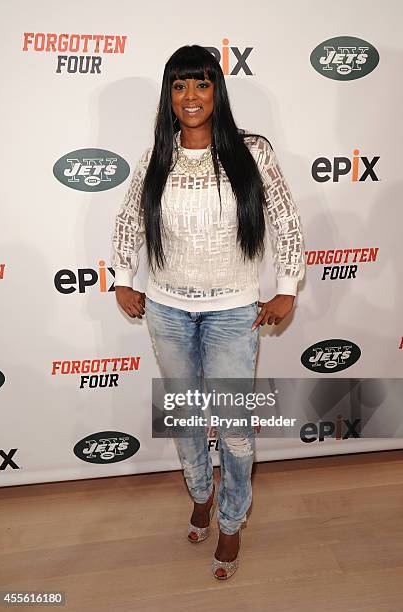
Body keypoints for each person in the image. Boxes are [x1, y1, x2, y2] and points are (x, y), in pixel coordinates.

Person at [111, 44, 306, 580]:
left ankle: (231, 519)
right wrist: (123, 280)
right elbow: (129, 220)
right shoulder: (157, 155)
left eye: (201, 84)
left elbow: (286, 220)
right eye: (179, 86)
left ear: (217, 90)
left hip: (232, 314)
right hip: (168, 311)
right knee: (187, 416)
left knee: (236, 429)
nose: (191, 96)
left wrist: (287, 286)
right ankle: (199, 492)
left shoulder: (253, 151)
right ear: (168, 96)